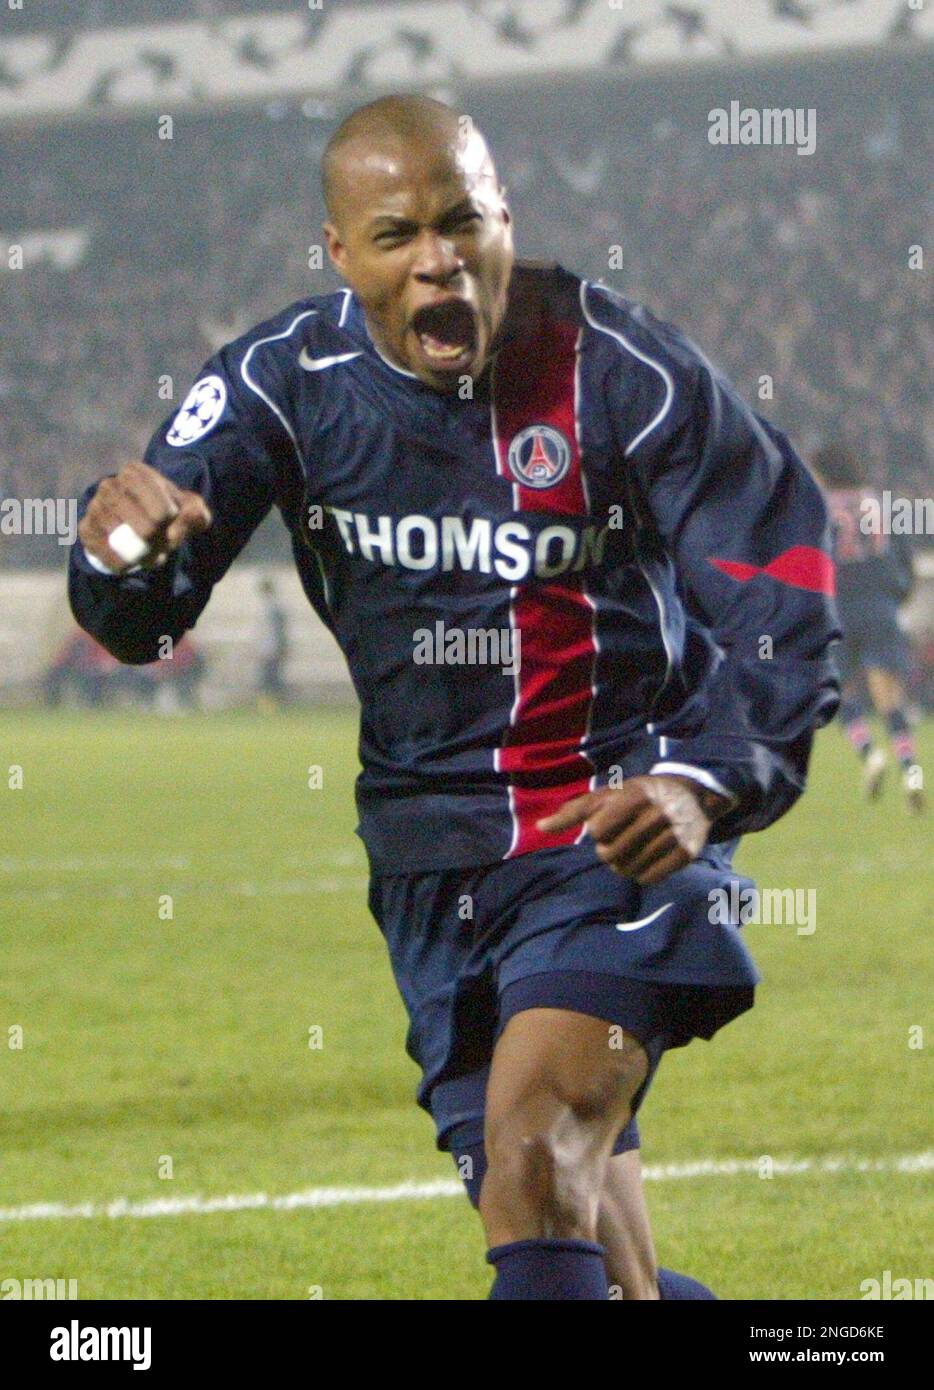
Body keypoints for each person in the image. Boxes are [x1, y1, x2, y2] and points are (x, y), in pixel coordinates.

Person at [69, 95, 840, 1300]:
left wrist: (708, 778)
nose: (436, 258)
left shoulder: (617, 369)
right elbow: (140, 613)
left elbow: (780, 582)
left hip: (611, 828)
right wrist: (120, 556)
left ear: (502, 222)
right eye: (395, 235)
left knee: (532, 1167)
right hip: (431, 856)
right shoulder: (284, 380)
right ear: (340, 255)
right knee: (585, 1245)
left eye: (460, 222)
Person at [813, 442, 923, 813]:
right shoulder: (881, 502)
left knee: (842, 694)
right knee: (891, 699)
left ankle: (870, 754)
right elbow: (904, 559)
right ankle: (911, 772)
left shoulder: (818, 507)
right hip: (880, 608)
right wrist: (896, 597)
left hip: (839, 611)